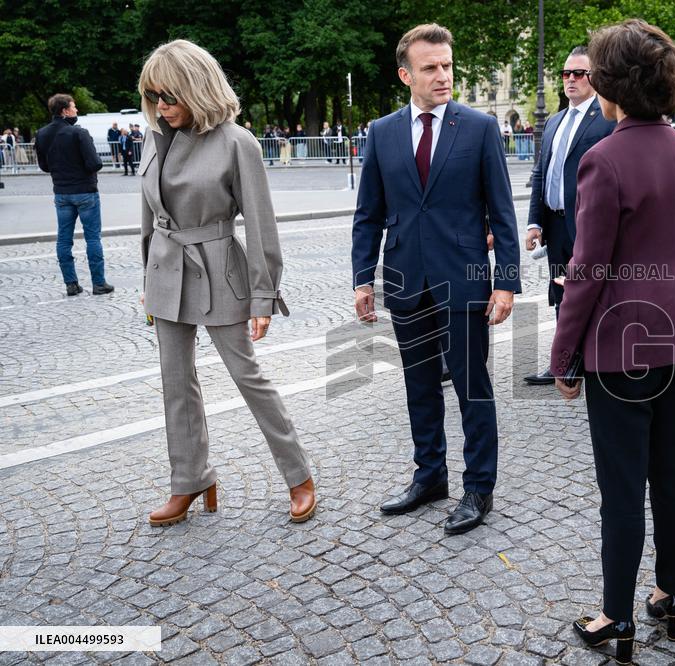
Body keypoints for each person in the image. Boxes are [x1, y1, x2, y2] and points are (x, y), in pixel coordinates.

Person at [548, 19, 675, 662]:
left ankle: (616, 617)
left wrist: (563, 354)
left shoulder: (604, 158)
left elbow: (588, 269)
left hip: (625, 340)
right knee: (673, 473)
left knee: (622, 485)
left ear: (607, 85)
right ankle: (670, 597)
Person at [137, 39, 316, 526]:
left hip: (219, 269)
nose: (161, 106)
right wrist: (147, 277)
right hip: (166, 274)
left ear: (195, 88)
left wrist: (264, 294)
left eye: (169, 95)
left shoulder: (237, 142)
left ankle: (298, 475)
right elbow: (150, 218)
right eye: (153, 96)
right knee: (176, 383)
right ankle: (190, 481)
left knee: (247, 378)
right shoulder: (154, 139)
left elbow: (261, 225)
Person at [351, 23, 520, 536]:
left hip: (465, 279)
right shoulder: (381, 133)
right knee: (419, 386)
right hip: (406, 280)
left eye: (447, 65)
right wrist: (363, 279)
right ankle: (430, 477)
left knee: (473, 388)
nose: (443, 75)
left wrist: (506, 280)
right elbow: (369, 214)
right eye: (431, 68)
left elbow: (502, 209)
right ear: (406, 75)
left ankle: (478, 487)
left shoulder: (479, 128)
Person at [523, 45, 616, 385]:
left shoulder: (606, 119)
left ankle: (594, 360)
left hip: (587, 224)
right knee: (561, 293)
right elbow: (540, 173)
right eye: (566, 74)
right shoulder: (554, 122)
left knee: (589, 292)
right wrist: (535, 221)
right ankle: (564, 363)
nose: (571, 80)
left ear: (594, 77)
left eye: (579, 73)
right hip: (555, 224)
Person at [34, 93, 114, 297]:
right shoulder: (78, 133)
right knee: (93, 238)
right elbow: (95, 163)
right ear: (65, 110)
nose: (76, 110)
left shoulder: (42, 134)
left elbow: (44, 166)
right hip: (85, 192)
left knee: (63, 240)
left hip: (61, 193)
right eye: (74, 106)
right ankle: (98, 284)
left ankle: (71, 284)